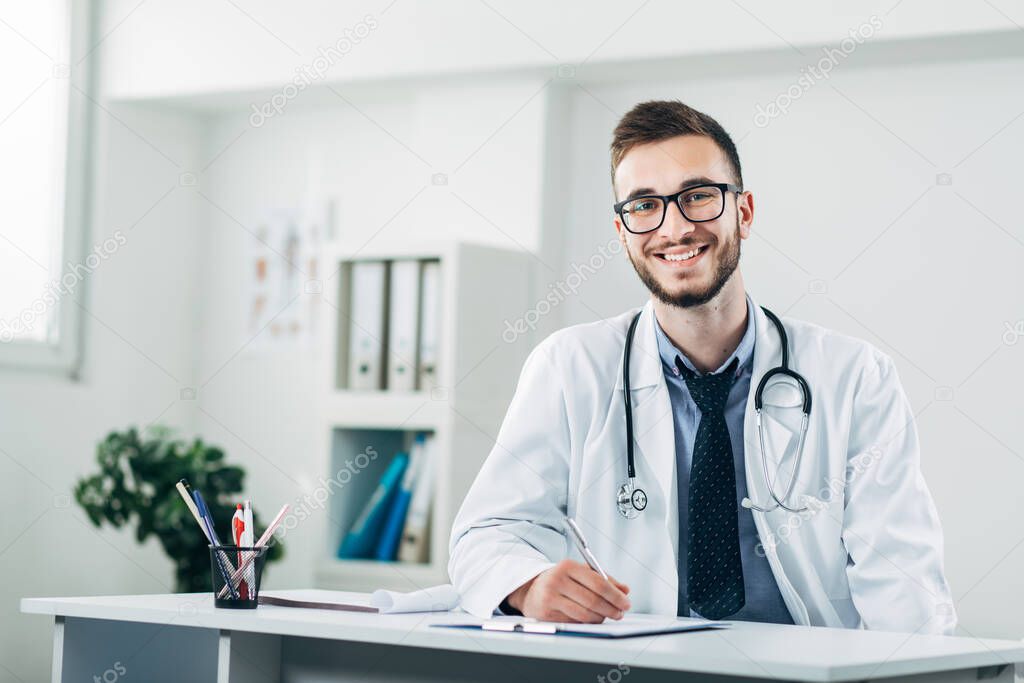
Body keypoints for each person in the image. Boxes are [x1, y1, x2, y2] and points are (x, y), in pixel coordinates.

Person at [448, 100, 956, 634]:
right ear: (622, 231)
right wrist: (526, 584)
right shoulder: (568, 368)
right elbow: (484, 535)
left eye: (697, 196)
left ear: (744, 212)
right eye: (644, 206)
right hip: (632, 665)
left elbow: (903, 581)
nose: (674, 228)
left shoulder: (855, 377)